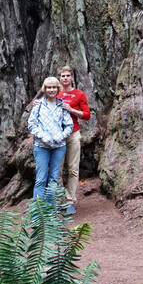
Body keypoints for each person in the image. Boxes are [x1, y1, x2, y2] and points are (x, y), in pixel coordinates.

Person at [28, 76, 73, 202]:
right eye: (49, 87)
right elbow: (31, 125)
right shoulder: (38, 105)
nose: (51, 90)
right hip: (41, 146)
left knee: (54, 178)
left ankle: (51, 211)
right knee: (41, 178)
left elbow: (69, 125)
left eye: (54, 87)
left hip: (59, 147)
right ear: (45, 89)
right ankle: (38, 211)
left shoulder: (61, 105)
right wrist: (43, 136)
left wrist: (61, 136)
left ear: (57, 89)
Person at [56, 65, 90, 215]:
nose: (65, 78)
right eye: (62, 76)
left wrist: (71, 110)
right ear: (59, 78)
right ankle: (57, 201)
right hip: (56, 135)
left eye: (67, 76)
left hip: (73, 133)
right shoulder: (53, 93)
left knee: (72, 168)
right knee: (56, 170)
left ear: (72, 78)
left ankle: (70, 200)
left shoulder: (79, 94)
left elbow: (87, 115)